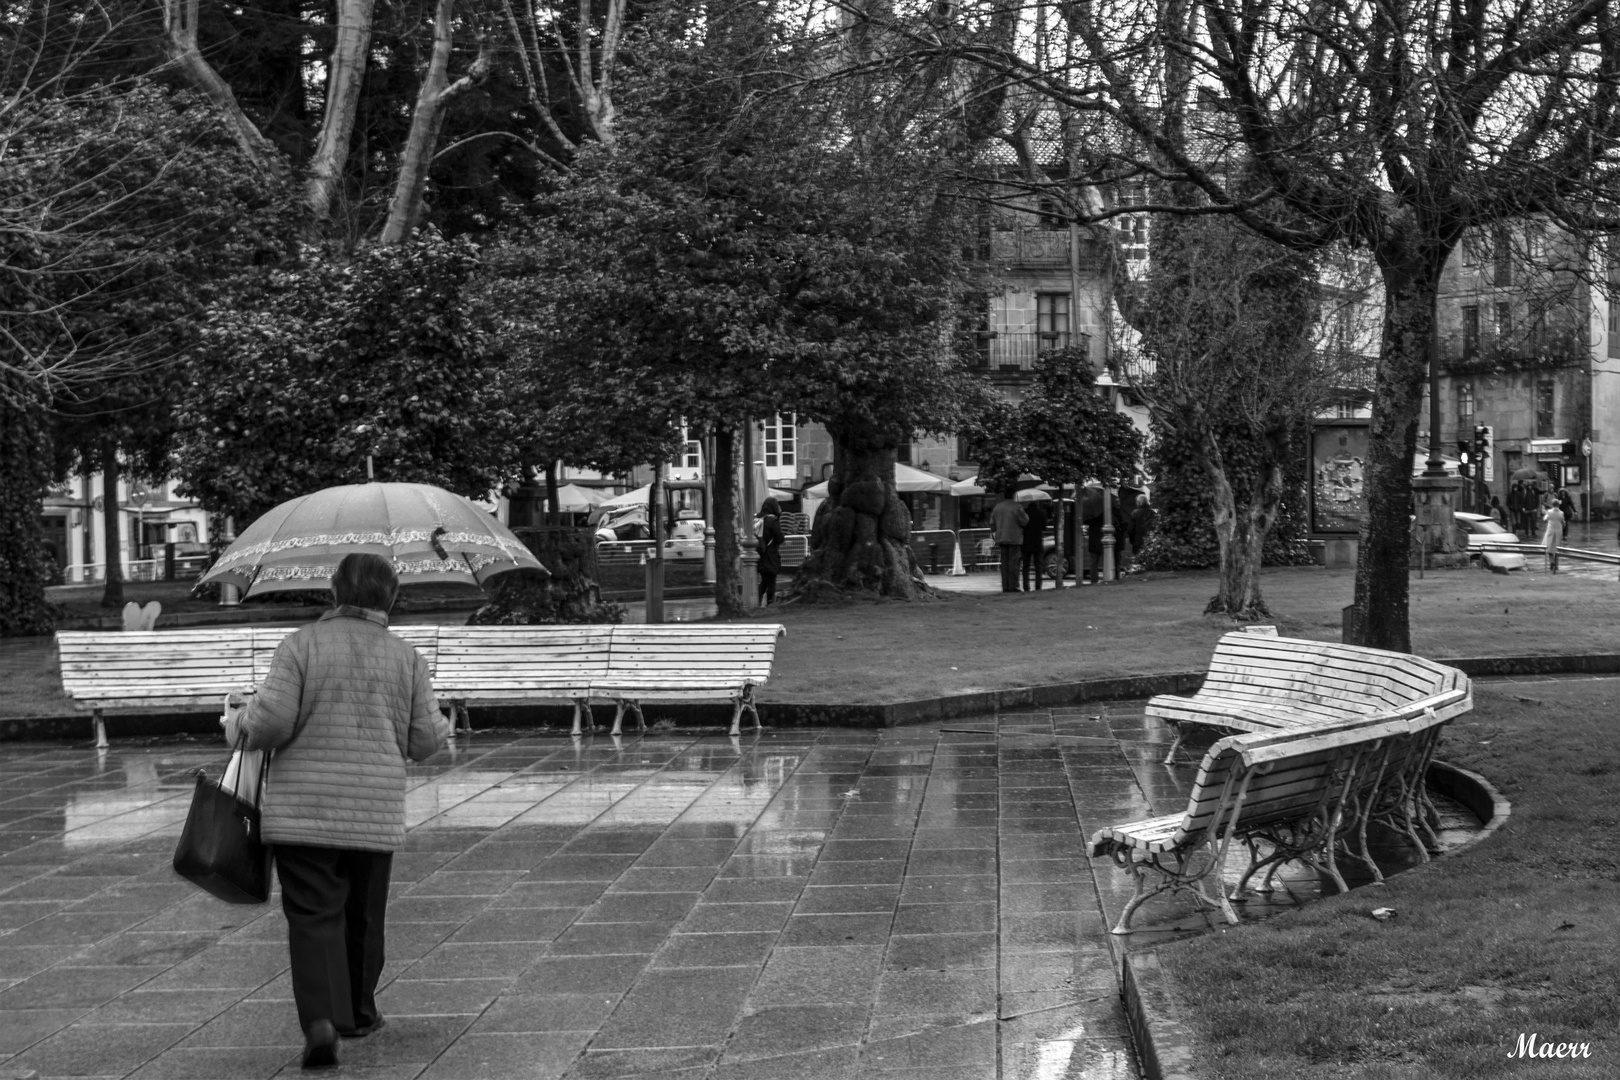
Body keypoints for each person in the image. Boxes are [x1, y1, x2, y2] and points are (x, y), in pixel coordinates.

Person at [224, 553, 448, 1070]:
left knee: (312, 915)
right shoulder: (405, 657)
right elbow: (425, 741)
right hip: (373, 810)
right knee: (365, 913)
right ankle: (359, 1013)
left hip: (305, 809)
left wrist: (239, 718)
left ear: (335, 593)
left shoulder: (300, 645)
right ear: (389, 598)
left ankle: (323, 1020)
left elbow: (271, 724)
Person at [990, 489, 1028, 593]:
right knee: (1014, 563)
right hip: (1014, 538)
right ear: (1014, 496)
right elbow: (1025, 521)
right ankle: (1013, 586)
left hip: (1001, 538)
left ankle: (1005, 586)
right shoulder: (1017, 507)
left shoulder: (997, 507)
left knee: (1004, 563)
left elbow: (992, 523)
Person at [756, 497, 784, 605]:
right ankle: (770, 603)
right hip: (771, 555)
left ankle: (757, 601)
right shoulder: (772, 520)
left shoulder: (757, 519)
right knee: (771, 581)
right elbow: (780, 538)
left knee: (764, 581)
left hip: (759, 554)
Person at [1020, 496, 1049, 591]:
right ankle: (1038, 586)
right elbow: (1044, 527)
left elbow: (1021, 525)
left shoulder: (1025, 513)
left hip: (1026, 541)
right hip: (1037, 540)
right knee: (1038, 565)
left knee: (1026, 566)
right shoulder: (1042, 513)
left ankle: (1026, 586)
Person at [1128, 495, 1157, 569]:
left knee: (1138, 562)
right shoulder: (1153, 513)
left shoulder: (1135, 513)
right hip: (1151, 541)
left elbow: (1131, 529)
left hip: (1138, 541)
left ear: (1138, 503)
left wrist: (1132, 540)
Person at [1541, 494, 1565, 573]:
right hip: (1558, 532)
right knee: (1557, 548)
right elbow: (1563, 522)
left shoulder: (1549, 512)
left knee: (1549, 548)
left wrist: (1545, 514)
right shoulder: (1561, 513)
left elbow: (1545, 519)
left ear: (1552, 505)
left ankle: (1552, 562)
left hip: (1550, 532)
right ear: (1558, 505)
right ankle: (1556, 564)